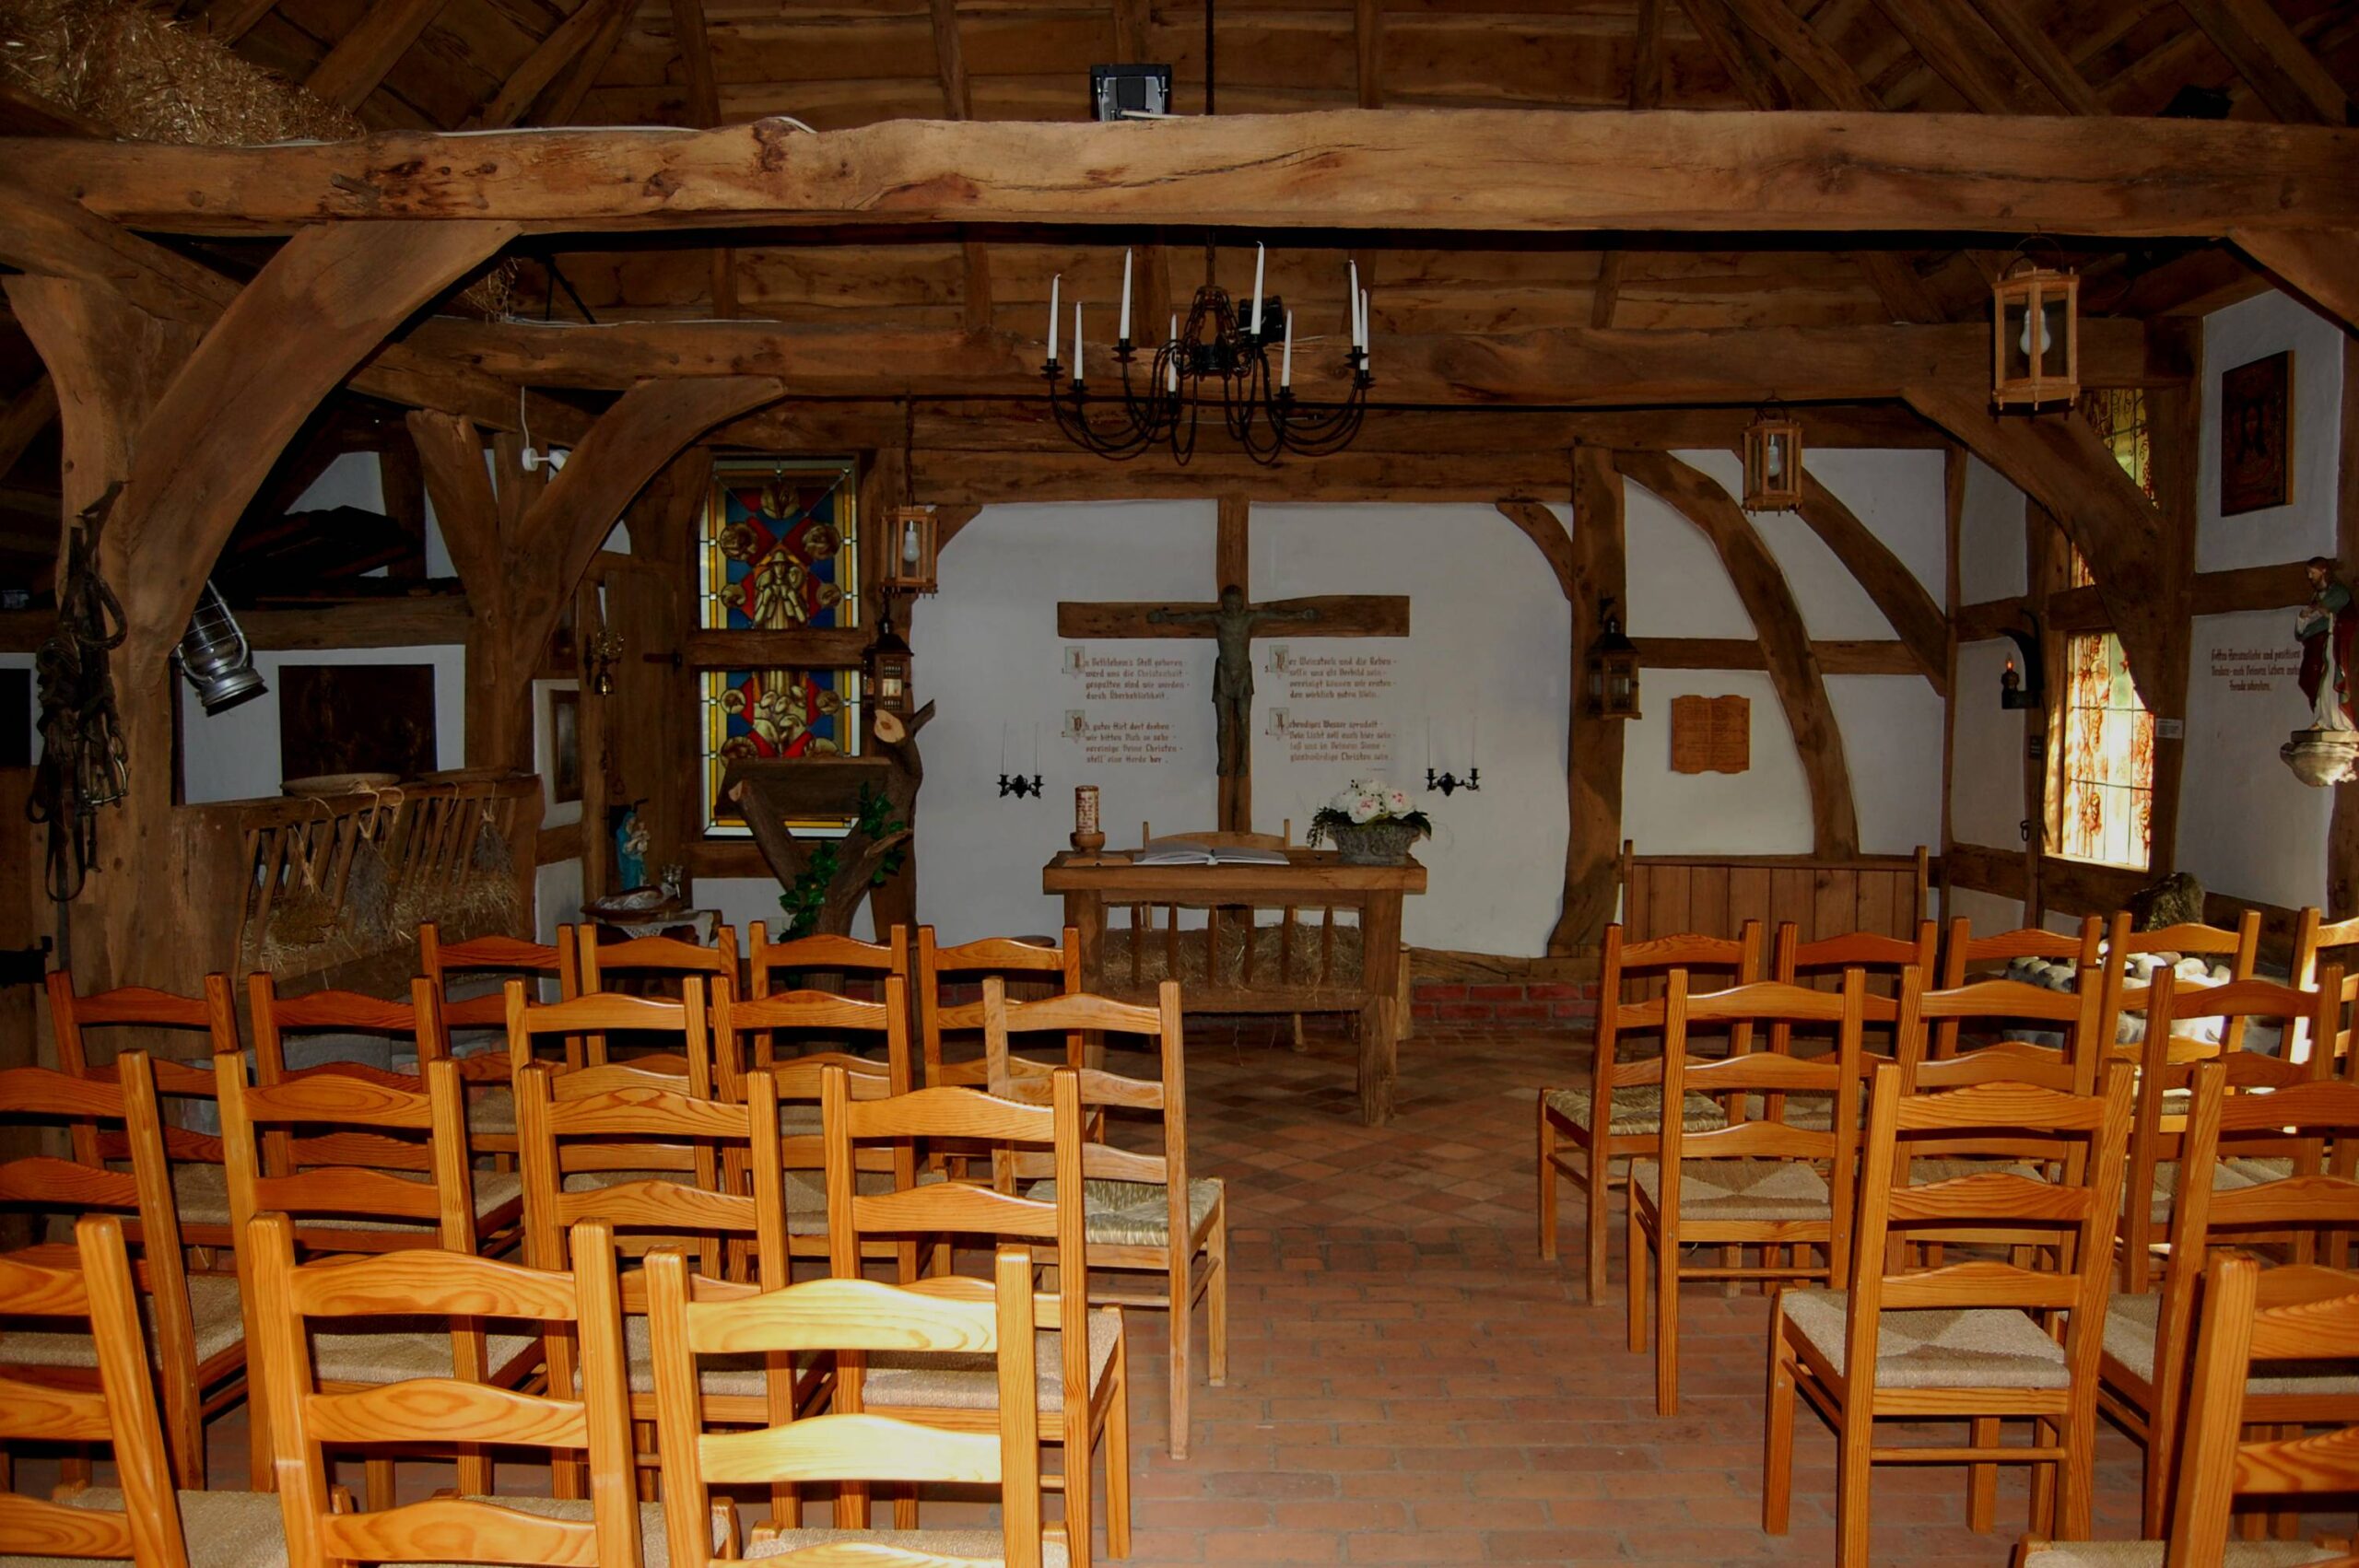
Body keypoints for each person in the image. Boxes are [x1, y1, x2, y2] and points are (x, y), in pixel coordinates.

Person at [1149, 586, 1320, 777]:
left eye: (1235, 603)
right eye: (1228, 603)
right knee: (1223, 723)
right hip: (1223, 674)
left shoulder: (1249, 618)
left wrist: (1300, 615)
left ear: (1241, 602)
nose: (1232, 607)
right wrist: (1165, 618)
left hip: (1243, 675)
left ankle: (1243, 761)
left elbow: (1274, 615)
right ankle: (1223, 760)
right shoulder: (1219, 618)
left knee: (1244, 721)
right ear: (1224, 603)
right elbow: (1191, 617)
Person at [2295, 556, 2355, 732]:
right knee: (2314, 680)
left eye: (2312, 573)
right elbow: (2307, 626)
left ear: (2323, 571)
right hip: (2320, 644)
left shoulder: (2338, 592)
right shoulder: (2316, 597)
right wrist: (2304, 618)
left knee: (2330, 679)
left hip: (2334, 643)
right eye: (2308, 573)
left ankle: (2338, 719)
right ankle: (2322, 718)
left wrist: (2326, 614)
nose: (2310, 577)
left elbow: (2343, 617)